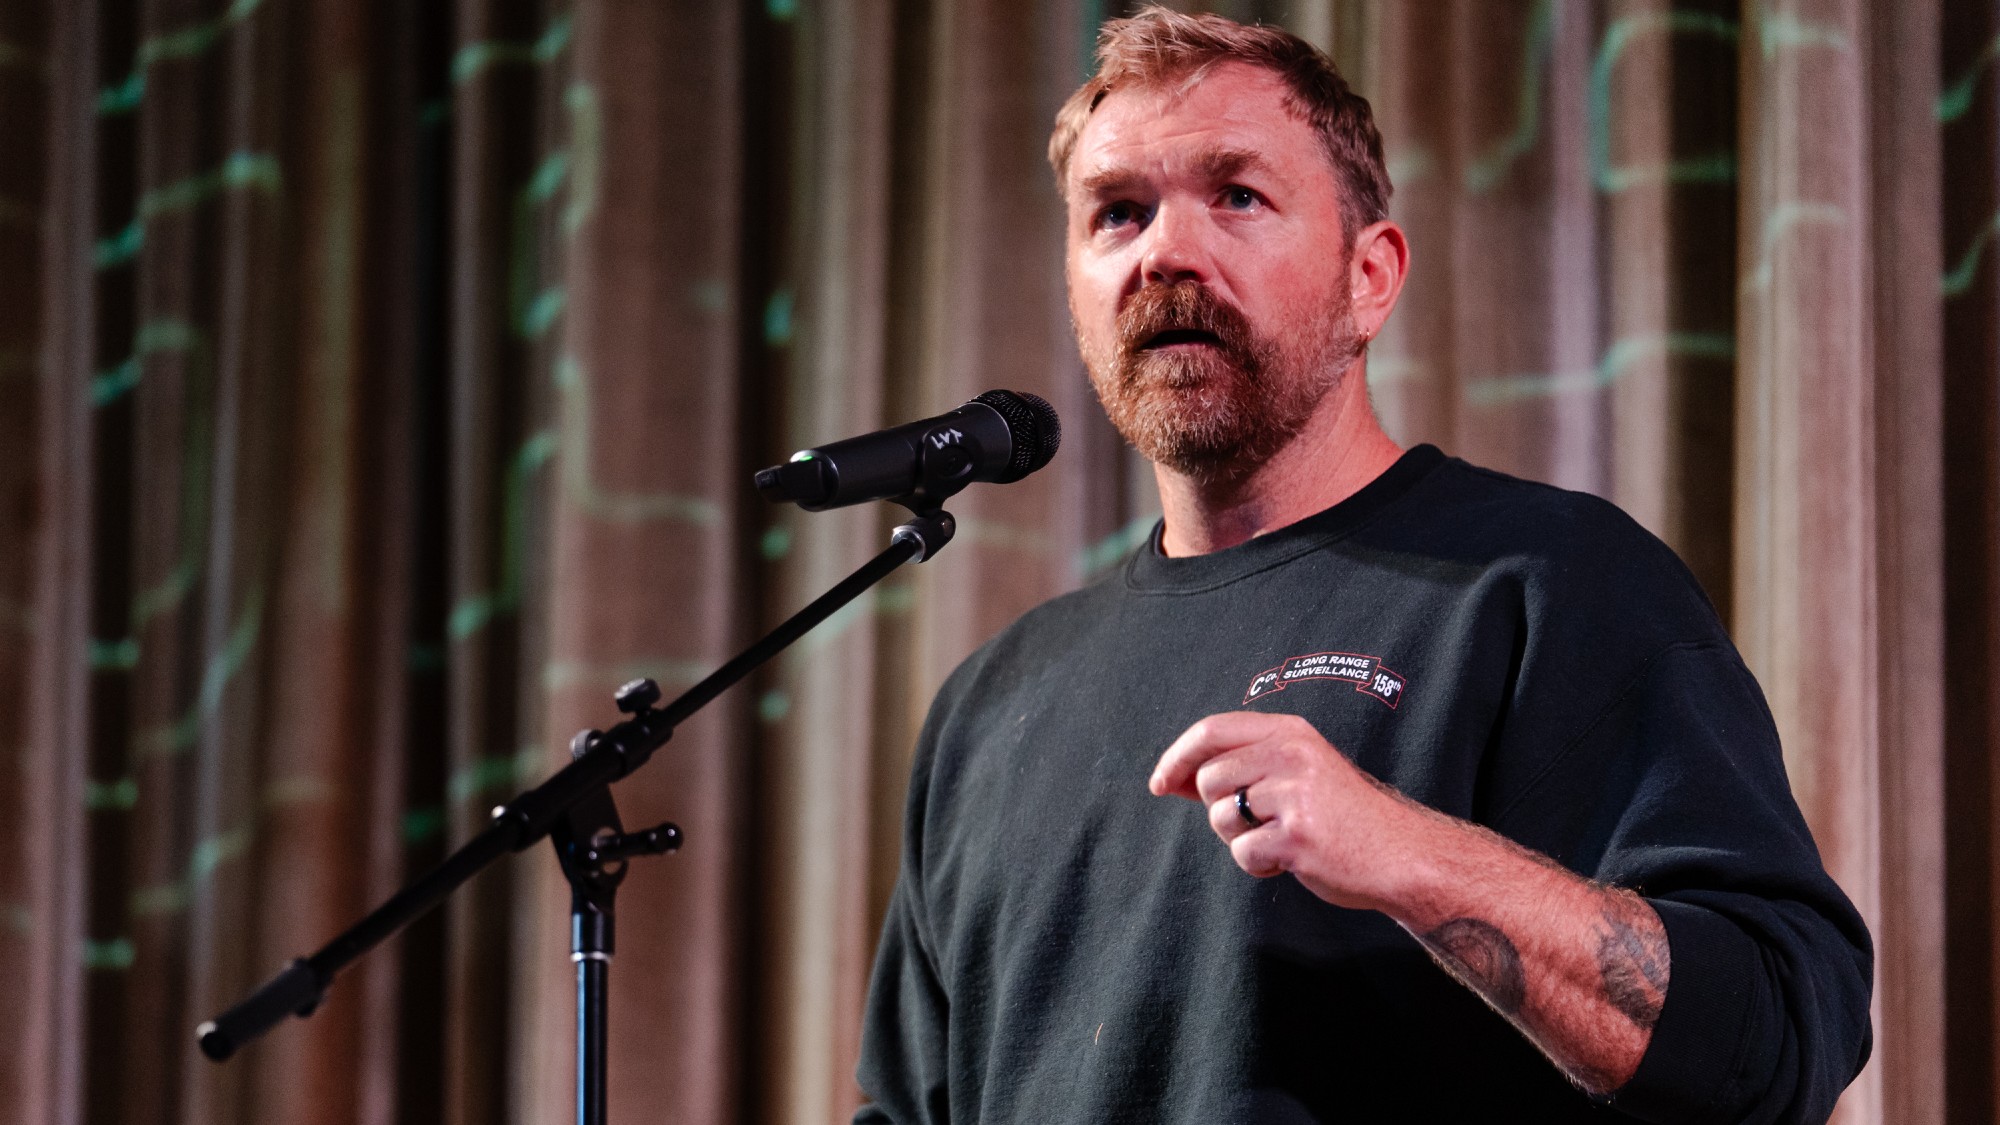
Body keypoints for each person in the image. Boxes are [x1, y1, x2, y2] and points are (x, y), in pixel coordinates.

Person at [853, 9, 1872, 1123]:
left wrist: (1407, 855)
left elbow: (1782, 1033)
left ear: (1369, 276)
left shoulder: (1549, 585)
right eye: (1117, 213)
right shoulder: (993, 704)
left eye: (1237, 195)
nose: (1164, 253)